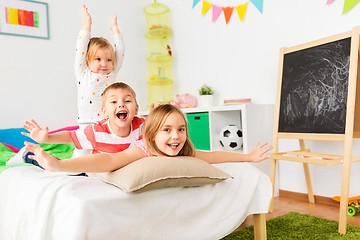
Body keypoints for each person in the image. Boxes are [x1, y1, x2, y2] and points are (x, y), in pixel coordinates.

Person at [24, 104, 272, 173]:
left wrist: (247, 157)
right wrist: (59, 165)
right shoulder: (143, 149)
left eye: (181, 129)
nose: (176, 137)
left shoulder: (183, 147)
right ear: (152, 135)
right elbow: (109, 162)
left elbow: (212, 156)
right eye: (166, 130)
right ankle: (25, 156)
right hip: (78, 159)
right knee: (33, 159)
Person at [22, 82, 144, 155]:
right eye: (113, 101)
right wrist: (46, 138)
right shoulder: (97, 131)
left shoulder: (141, 126)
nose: (121, 105)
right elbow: (70, 136)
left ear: (137, 109)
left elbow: (158, 128)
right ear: (104, 111)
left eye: (127, 101)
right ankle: (27, 156)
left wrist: (158, 115)